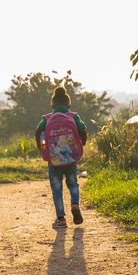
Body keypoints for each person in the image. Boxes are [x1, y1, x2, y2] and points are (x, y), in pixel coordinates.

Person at [35, 85, 88, 228]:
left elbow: (38, 132)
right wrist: (80, 143)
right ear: (69, 104)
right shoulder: (74, 116)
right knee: (73, 184)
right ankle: (75, 205)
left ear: (52, 104)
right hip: (71, 158)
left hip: (54, 160)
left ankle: (61, 219)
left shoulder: (47, 119)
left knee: (57, 190)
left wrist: (42, 149)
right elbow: (83, 129)